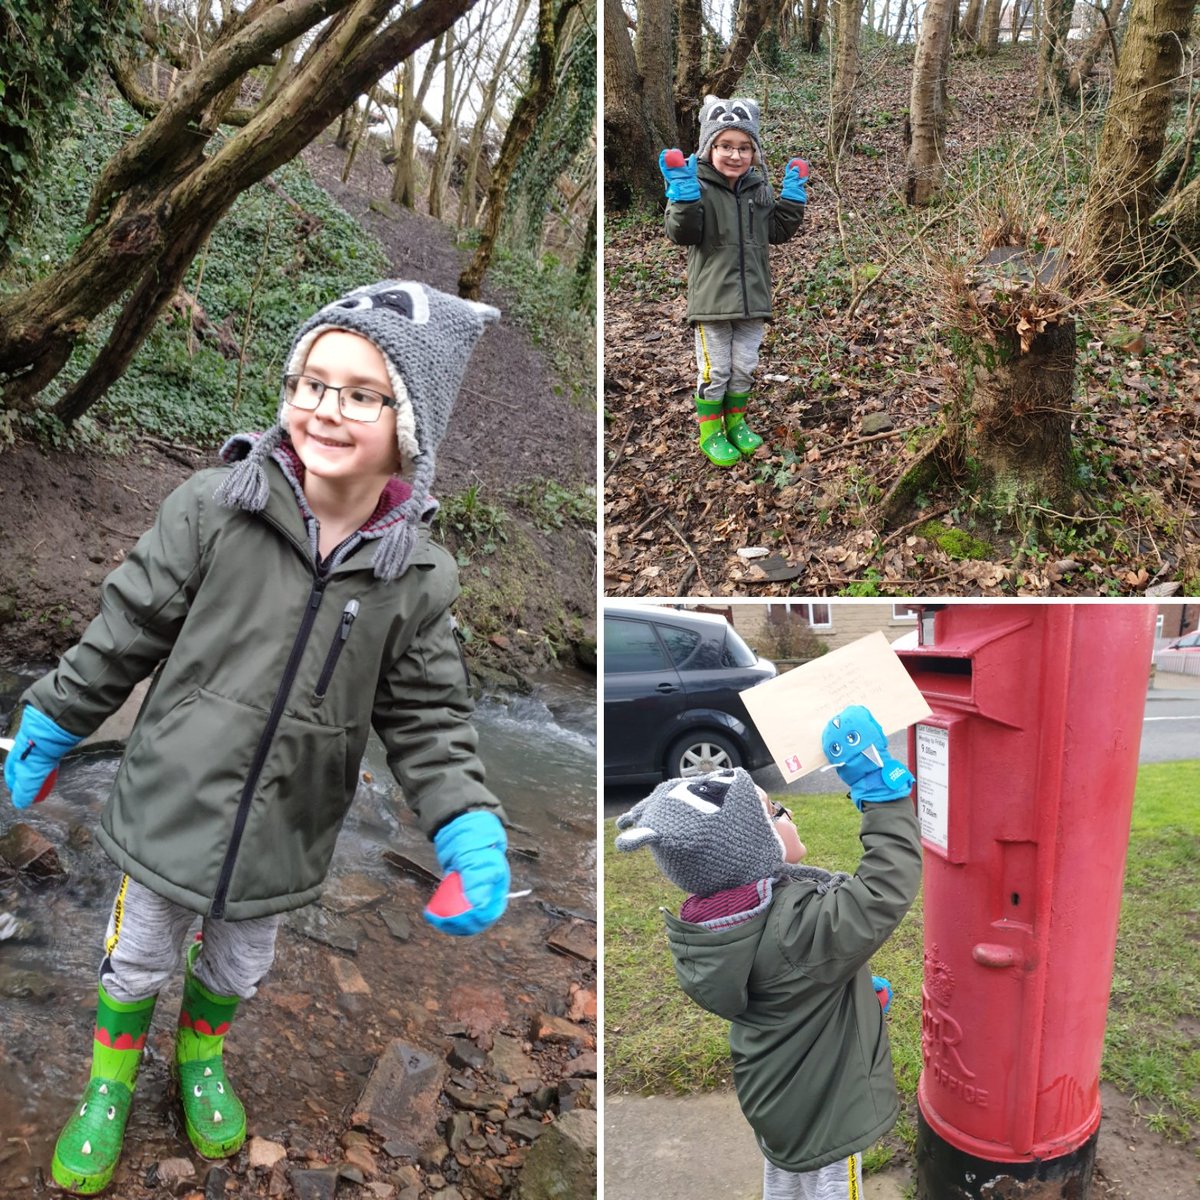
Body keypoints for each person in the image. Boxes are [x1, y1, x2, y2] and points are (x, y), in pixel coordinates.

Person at [3, 280, 511, 1195]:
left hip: (290, 820)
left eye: (362, 392)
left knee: (241, 958)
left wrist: (464, 821)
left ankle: (200, 1057)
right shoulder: (217, 507)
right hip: (171, 799)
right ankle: (108, 1084)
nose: (325, 407)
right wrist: (54, 718)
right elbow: (124, 631)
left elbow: (429, 718)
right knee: (140, 954)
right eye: (310, 382)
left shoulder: (417, 575)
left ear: (414, 424)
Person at [614, 705, 922, 1200]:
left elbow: (789, 991)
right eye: (775, 811)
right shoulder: (796, 930)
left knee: (784, 1188)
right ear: (752, 848)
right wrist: (880, 793)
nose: (790, 811)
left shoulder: (720, 924)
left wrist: (849, 992)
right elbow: (885, 888)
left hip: (775, 1104)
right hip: (826, 1119)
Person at [659, 95, 808, 467]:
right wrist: (683, 197)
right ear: (709, 147)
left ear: (754, 152)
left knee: (744, 366)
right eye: (725, 145)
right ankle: (711, 433)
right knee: (716, 370)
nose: (735, 155)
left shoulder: (758, 188)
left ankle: (736, 423)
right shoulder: (698, 186)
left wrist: (791, 198)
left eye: (744, 147)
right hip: (712, 303)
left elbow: (776, 231)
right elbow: (683, 233)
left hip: (753, 300)